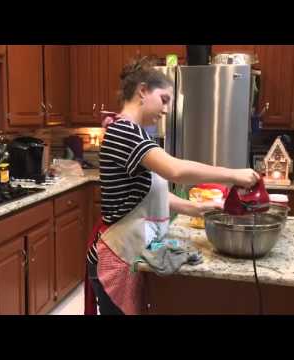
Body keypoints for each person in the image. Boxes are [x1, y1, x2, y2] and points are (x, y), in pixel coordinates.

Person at [84, 57, 260, 315]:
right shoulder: (124, 132)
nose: (166, 110)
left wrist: (199, 208)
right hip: (117, 256)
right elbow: (175, 170)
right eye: (164, 99)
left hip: (130, 251)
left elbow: (152, 196)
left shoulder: (137, 133)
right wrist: (234, 174)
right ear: (143, 91)